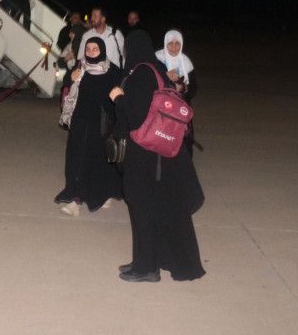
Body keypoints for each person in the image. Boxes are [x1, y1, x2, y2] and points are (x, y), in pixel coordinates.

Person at [108, 57, 206, 282]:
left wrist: (119, 98)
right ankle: (147, 261)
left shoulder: (141, 74)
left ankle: (146, 267)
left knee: (142, 211)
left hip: (144, 156)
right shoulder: (158, 72)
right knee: (153, 210)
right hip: (160, 156)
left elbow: (136, 116)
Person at [55, 38, 124, 216]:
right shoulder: (80, 67)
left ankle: (104, 192)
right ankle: (75, 199)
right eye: (88, 49)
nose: (91, 52)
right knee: (76, 160)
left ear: (102, 50)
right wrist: (70, 79)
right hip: (80, 121)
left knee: (99, 161)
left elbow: (119, 97)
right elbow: (66, 84)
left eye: (95, 49)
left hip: (101, 124)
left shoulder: (113, 71)